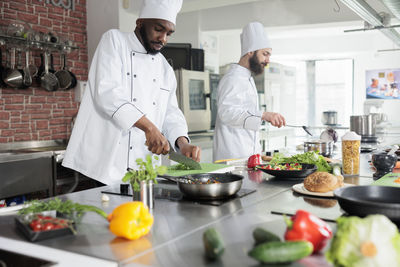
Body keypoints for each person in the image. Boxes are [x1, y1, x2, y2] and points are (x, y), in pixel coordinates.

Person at [62, 0, 201, 185]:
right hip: (105, 166)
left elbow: (171, 112)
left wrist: (183, 143)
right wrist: (149, 128)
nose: (164, 39)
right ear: (140, 23)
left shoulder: (164, 68)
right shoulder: (114, 41)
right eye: (159, 29)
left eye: (168, 33)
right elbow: (107, 93)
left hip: (144, 167)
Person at [213, 22, 286, 162]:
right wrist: (264, 115)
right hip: (232, 156)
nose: (268, 60)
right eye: (265, 54)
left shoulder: (247, 78)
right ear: (250, 51)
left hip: (247, 155)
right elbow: (227, 113)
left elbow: (246, 115)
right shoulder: (233, 78)